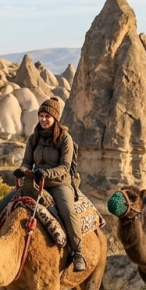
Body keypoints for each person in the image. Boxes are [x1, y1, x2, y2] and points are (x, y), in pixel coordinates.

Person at [14, 97, 86, 272]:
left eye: (47, 116)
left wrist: (47, 173)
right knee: (5, 205)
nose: (43, 119)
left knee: (68, 212)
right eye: (41, 115)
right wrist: (22, 170)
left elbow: (65, 167)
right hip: (36, 182)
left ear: (55, 118)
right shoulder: (34, 138)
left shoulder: (64, 138)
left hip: (59, 183)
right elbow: (26, 161)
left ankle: (77, 253)